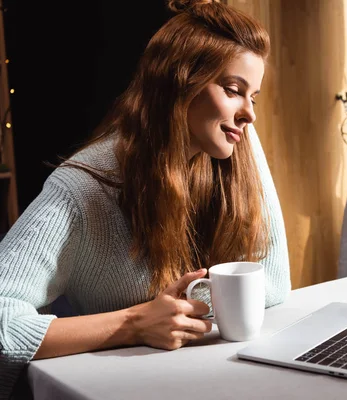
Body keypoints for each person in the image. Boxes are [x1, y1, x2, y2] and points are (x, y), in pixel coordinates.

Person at [0, 0, 291, 397]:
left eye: (252, 97)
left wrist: (180, 311)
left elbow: (272, 282)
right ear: (178, 83)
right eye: (233, 90)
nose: (249, 115)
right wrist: (134, 323)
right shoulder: (82, 189)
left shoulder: (235, 150)